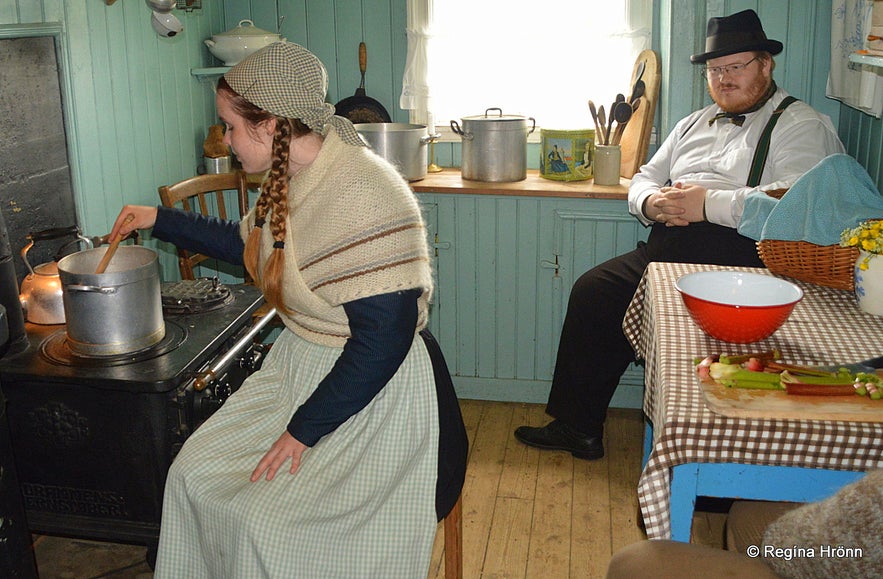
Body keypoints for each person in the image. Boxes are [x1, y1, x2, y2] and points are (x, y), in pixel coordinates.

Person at [108, 42, 467, 577]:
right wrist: (157, 219)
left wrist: (302, 430)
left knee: (266, 522)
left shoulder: (364, 193)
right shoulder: (290, 180)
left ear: (270, 125)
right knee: (190, 476)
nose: (225, 142)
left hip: (376, 388)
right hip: (304, 364)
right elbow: (251, 244)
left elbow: (383, 340)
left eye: (230, 127)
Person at [514, 9, 845, 459]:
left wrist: (706, 203)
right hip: (665, 251)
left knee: (698, 339)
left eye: (736, 66)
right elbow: (646, 174)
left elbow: (794, 204)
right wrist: (652, 202)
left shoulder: (800, 125)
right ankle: (579, 427)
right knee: (593, 292)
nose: (723, 78)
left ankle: (710, 457)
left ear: (766, 64)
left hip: (742, 262)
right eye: (714, 70)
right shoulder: (693, 122)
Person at [605, 470, 883, 578]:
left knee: (636, 563)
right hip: (851, 548)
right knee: (746, 514)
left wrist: (777, 546)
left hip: (838, 556)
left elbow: (828, 552)